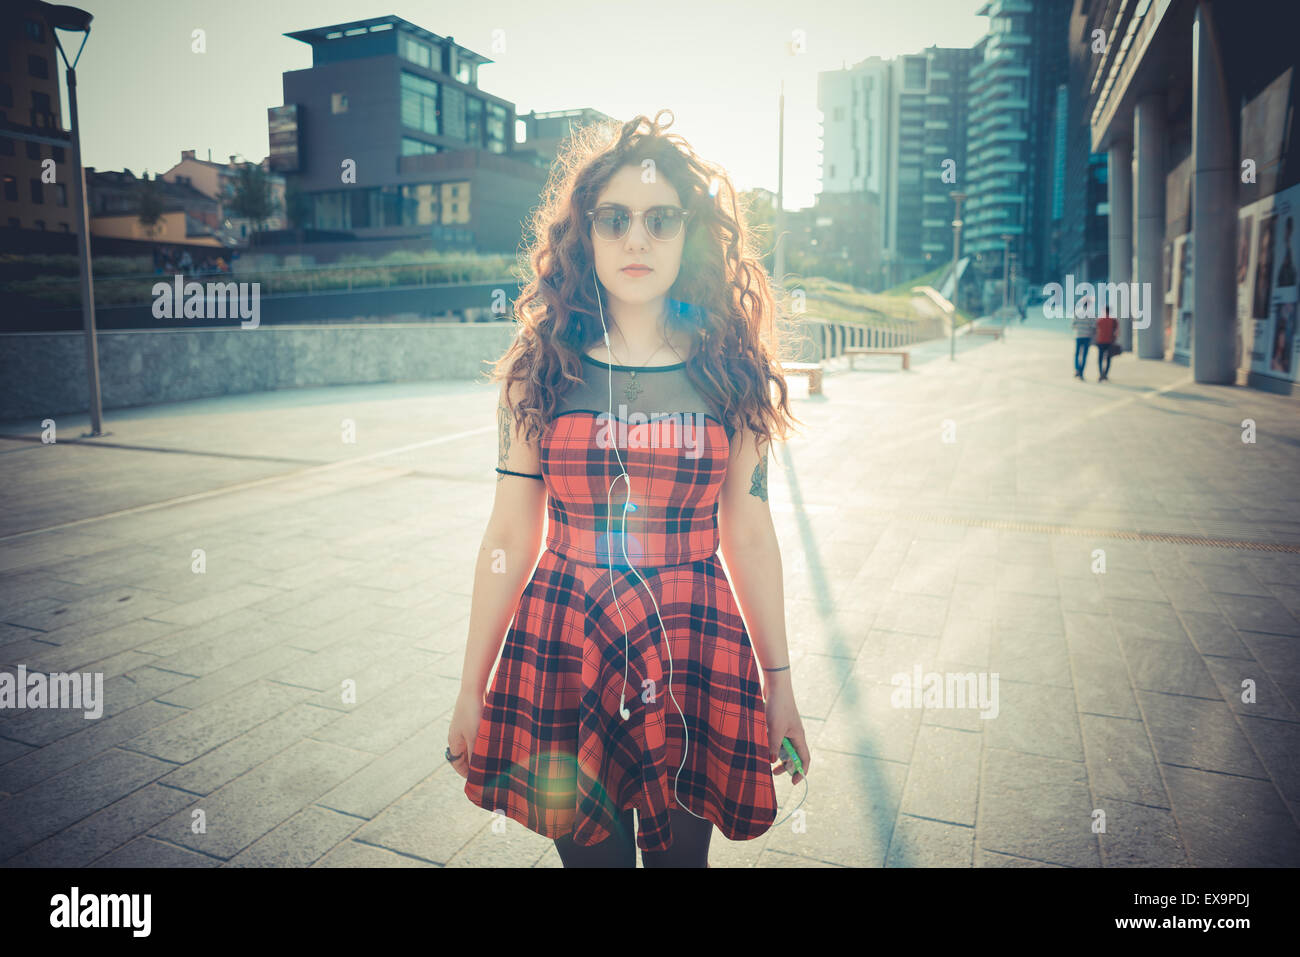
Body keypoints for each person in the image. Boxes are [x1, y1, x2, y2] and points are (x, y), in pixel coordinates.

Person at [446, 111, 810, 868]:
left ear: (690, 233)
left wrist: (780, 684)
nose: (637, 240)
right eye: (614, 219)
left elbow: (748, 531)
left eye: (659, 219)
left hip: (694, 641)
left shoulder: (730, 369)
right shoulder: (538, 366)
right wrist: (470, 685)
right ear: (585, 232)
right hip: (566, 643)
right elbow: (510, 536)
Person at [1072, 293, 1095, 379]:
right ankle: (1081, 372)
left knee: (1077, 354)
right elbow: (1093, 326)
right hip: (1087, 337)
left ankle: (1077, 369)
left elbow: (1073, 325)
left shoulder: (1077, 313)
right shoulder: (1091, 314)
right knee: (1084, 355)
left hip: (1078, 336)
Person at [1094, 303, 1117, 381]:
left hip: (1100, 341)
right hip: (1109, 342)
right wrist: (1114, 339)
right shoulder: (1113, 320)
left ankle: (1101, 373)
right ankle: (1105, 374)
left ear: (1104, 311)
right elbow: (1116, 332)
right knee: (1108, 359)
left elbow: (1096, 330)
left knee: (1100, 359)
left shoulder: (1100, 320)